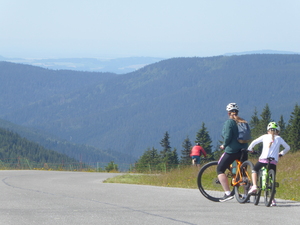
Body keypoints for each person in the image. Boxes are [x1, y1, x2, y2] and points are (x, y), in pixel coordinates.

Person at [247, 122, 290, 206]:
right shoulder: (279, 138)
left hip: (263, 160)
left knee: (255, 170)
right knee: (271, 181)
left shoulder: (264, 136)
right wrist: (281, 154)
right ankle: (272, 200)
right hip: (273, 161)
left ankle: (255, 186)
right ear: (278, 132)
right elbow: (288, 147)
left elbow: (254, 142)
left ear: (268, 131)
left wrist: (250, 149)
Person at [217, 103, 249, 202]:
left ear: (228, 113)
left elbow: (227, 137)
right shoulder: (244, 122)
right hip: (243, 150)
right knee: (243, 173)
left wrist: (224, 145)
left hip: (232, 151)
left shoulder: (229, 123)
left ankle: (227, 193)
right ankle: (246, 196)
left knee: (220, 169)